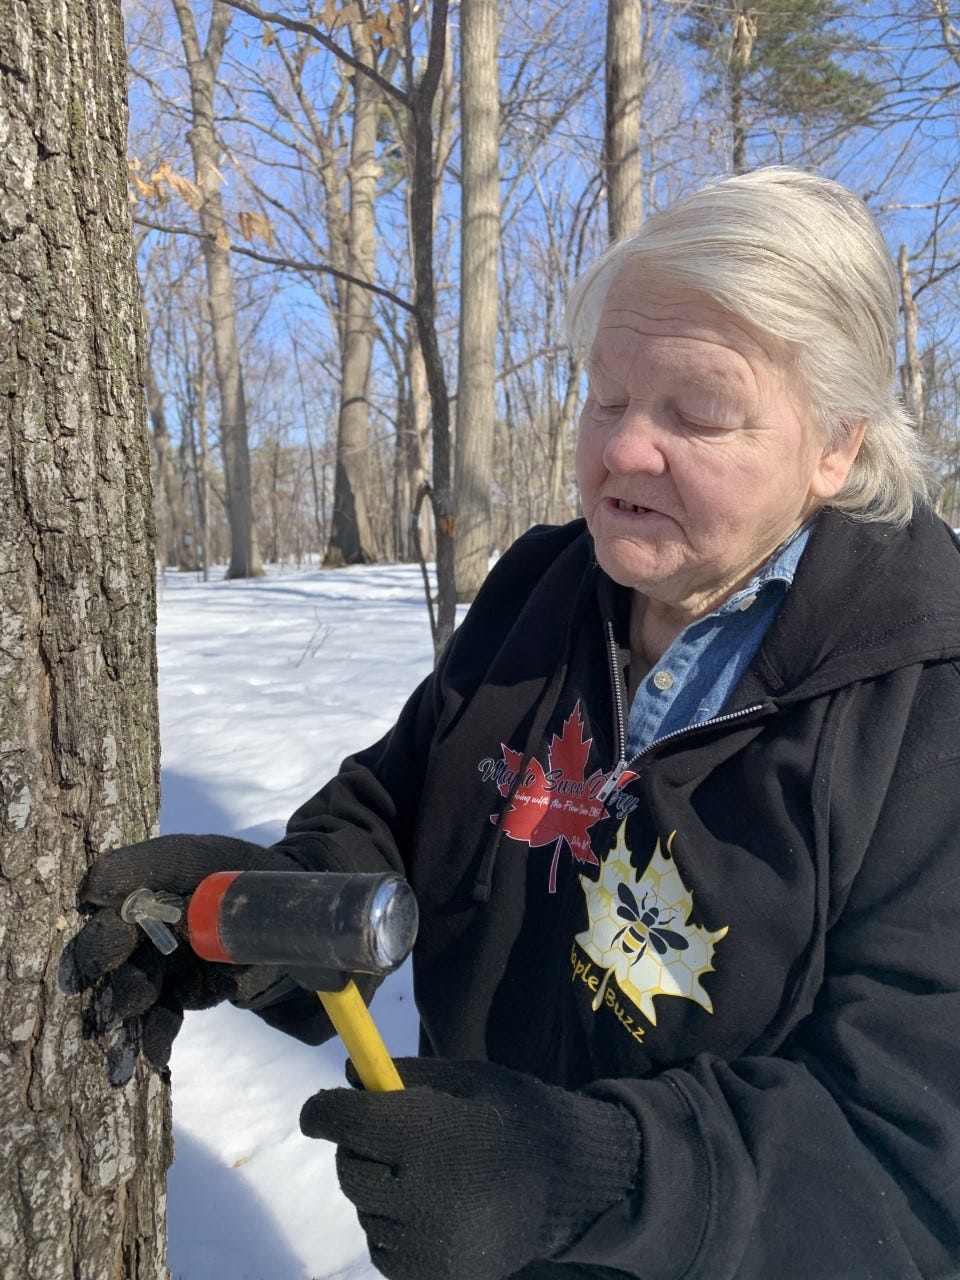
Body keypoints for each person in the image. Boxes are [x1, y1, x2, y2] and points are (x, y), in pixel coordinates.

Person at [69, 167, 960, 1280]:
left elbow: (914, 1151)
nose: (624, 450)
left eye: (697, 411)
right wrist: (275, 912)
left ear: (837, 444)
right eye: (607, 397)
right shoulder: (547, 585)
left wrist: (579, 1178)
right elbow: (396, 810)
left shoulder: (922, 694)